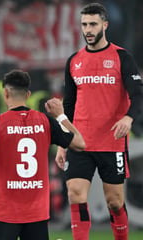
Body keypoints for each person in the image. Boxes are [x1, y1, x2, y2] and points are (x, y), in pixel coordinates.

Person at [0, 70, 86, 240]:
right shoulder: (45, 122)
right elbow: (80, 143)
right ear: (28, 94)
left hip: (5, 212)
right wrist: (60, 116)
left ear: (5, 93)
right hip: (37, 213)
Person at [55, 3, 143, 240]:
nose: (88, 29)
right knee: (75, 193)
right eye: (84, 24)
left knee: (114, 201)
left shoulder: (122, 57)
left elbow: (138, 95)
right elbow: (69, 106)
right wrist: (64, 142)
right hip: (79, 141)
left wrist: (128, 118)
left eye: (93, 24)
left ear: (105, 25)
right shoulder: (74, 61)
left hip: (111, 142)